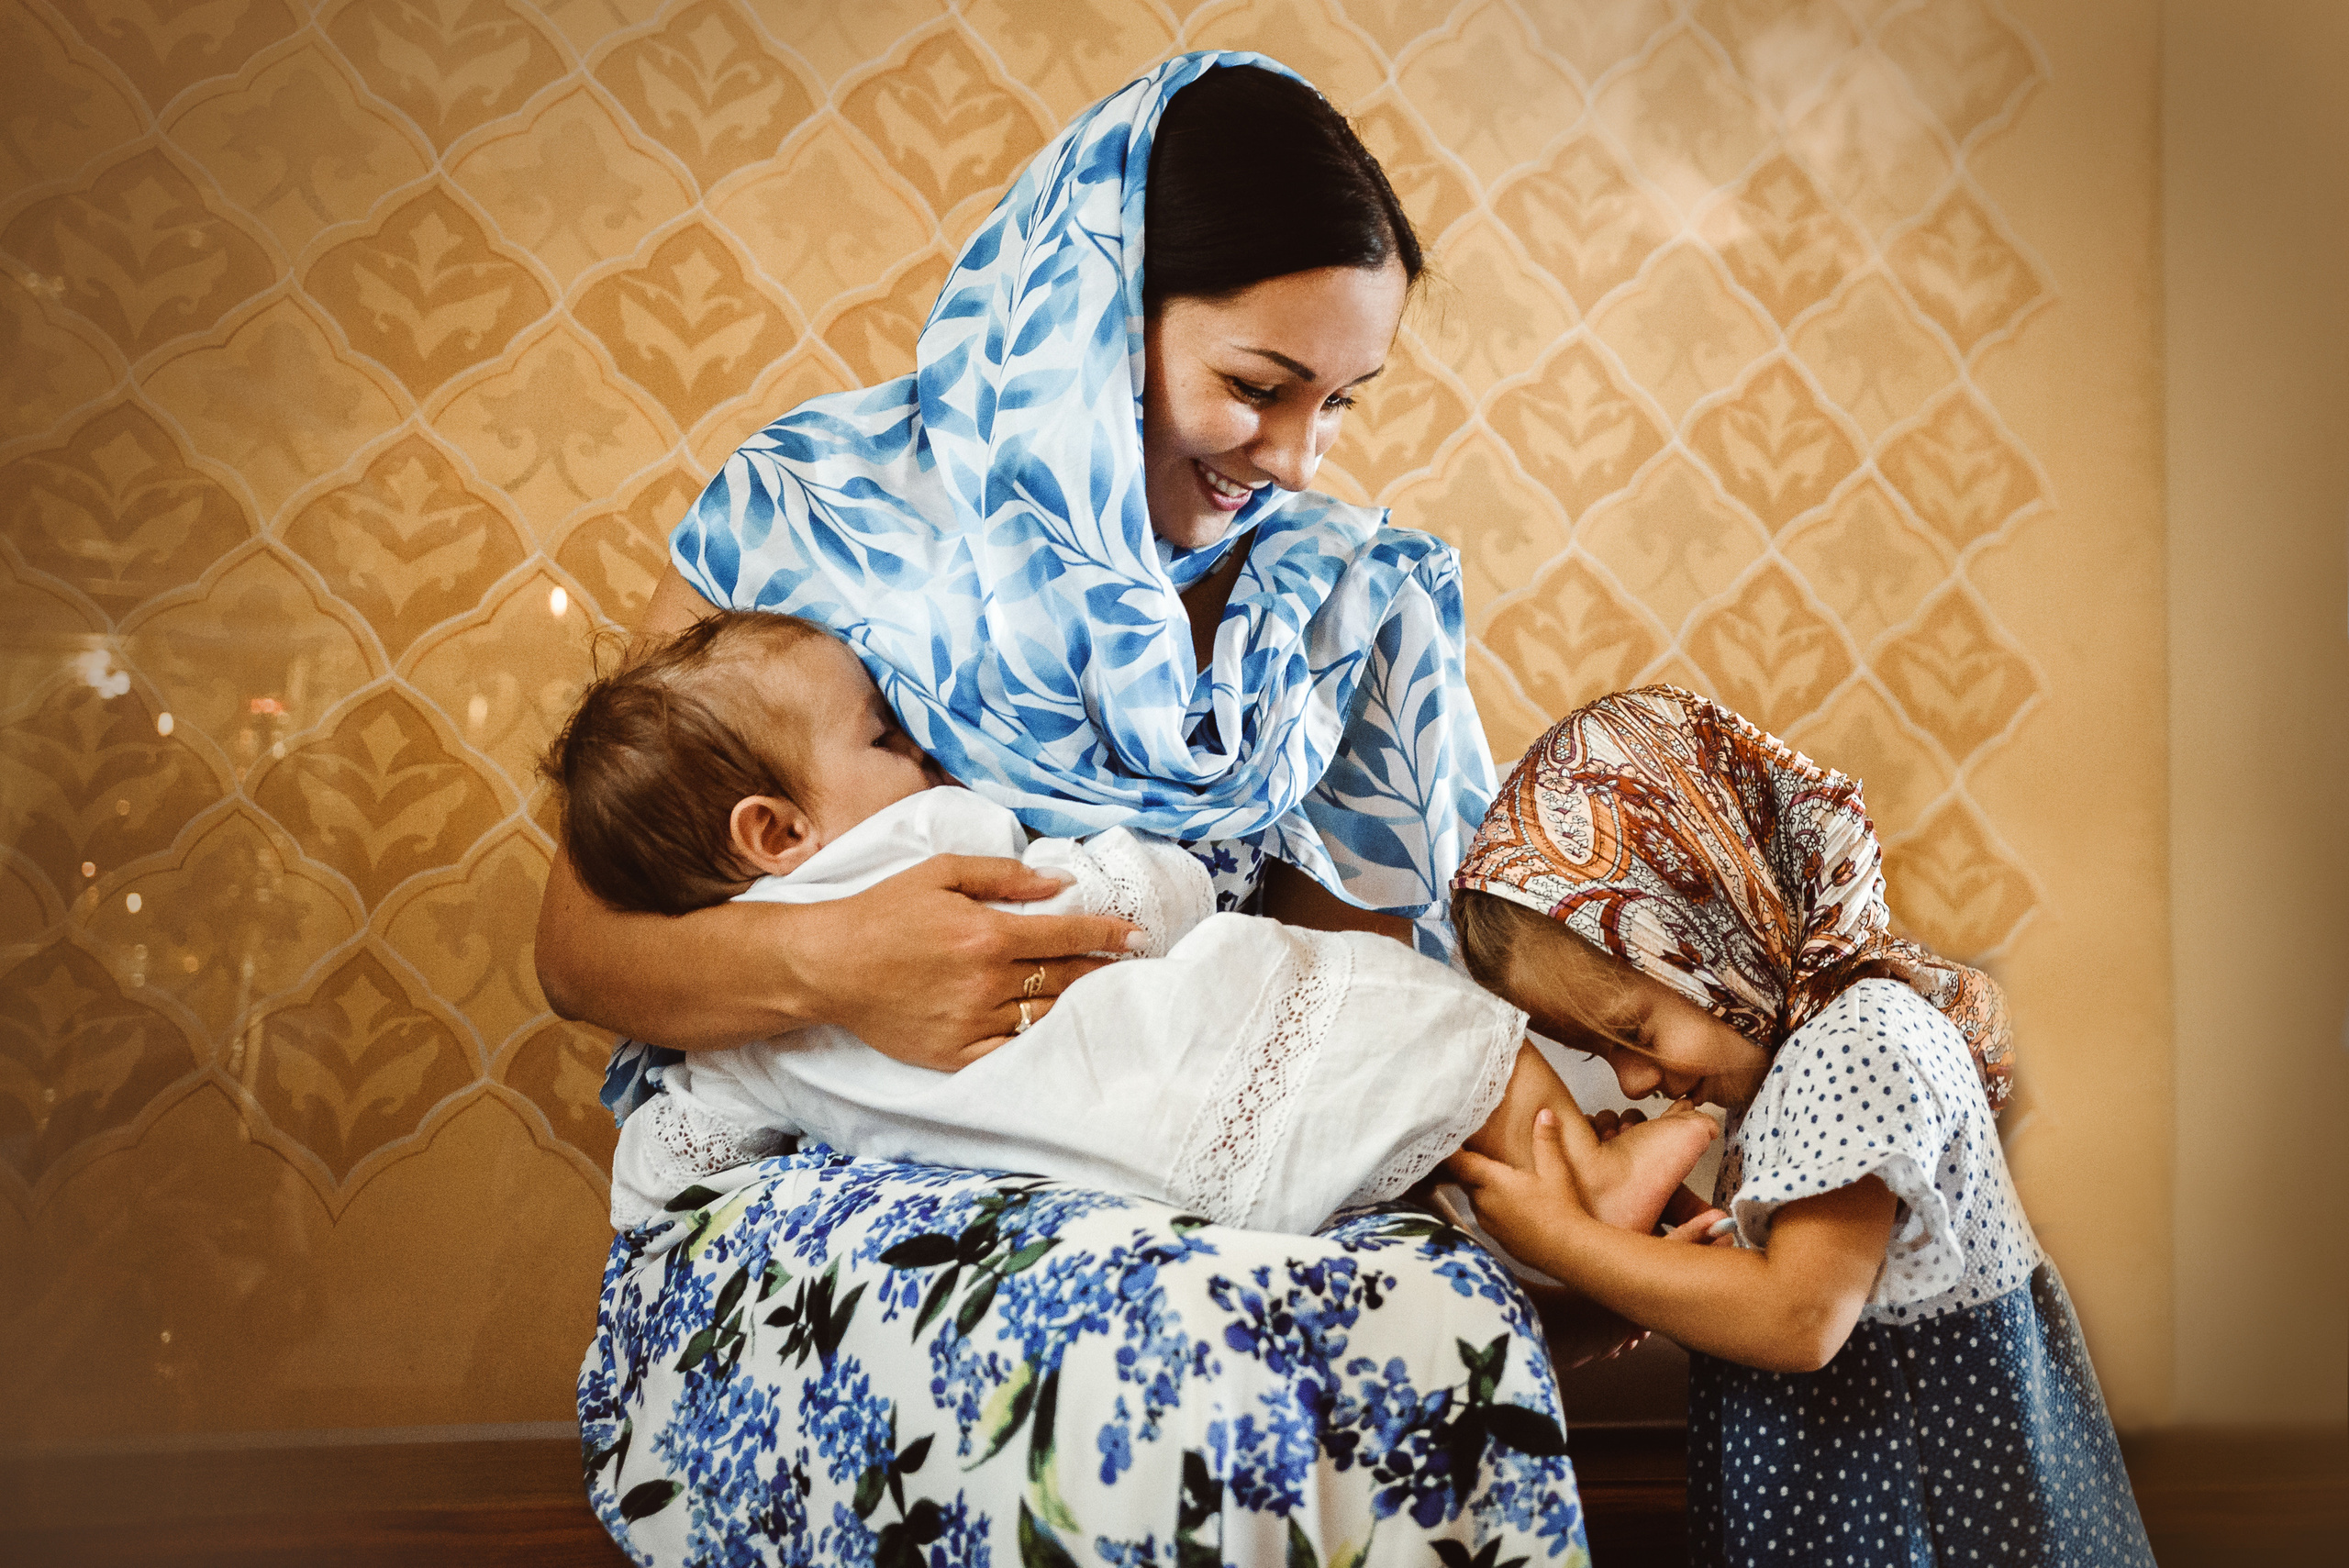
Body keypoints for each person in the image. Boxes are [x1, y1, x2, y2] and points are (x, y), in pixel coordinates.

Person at [549, 55, 1601, 1565]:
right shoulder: (815, 509)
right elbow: (579, 942)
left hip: (1199, 1129)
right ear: (1097, 317)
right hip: (845, 1154)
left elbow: (1338, 1000)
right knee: (1173, 1366)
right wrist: (843, 965)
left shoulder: (1344, 601)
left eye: (1340, 403)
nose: (1297, 457)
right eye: (1255, 386)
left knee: (1415, 1319)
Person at [544, 607, 1720, 1236]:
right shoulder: (913, 850)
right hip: (1180, 1063)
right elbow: (1103, 909)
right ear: (774, 832)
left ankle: (1576, 1212)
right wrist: (1160, 876)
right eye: (882, 739)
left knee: (1396, 1110)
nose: (919, 750)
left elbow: (677, 1154)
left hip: (1117, 1172)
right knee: (1413, 1014)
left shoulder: (729, 1033)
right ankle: (1586, 1174)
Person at [1442, 685, 2158, 1567]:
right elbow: (1805, 1271)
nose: (1631, 1076)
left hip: (1931, 1524)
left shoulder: (1856, 1043)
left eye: (1633, 1031)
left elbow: (1800, 1315)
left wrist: (1562, 1241)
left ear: (1717, 927)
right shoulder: (1799, 1053)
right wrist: (1668, 1250)